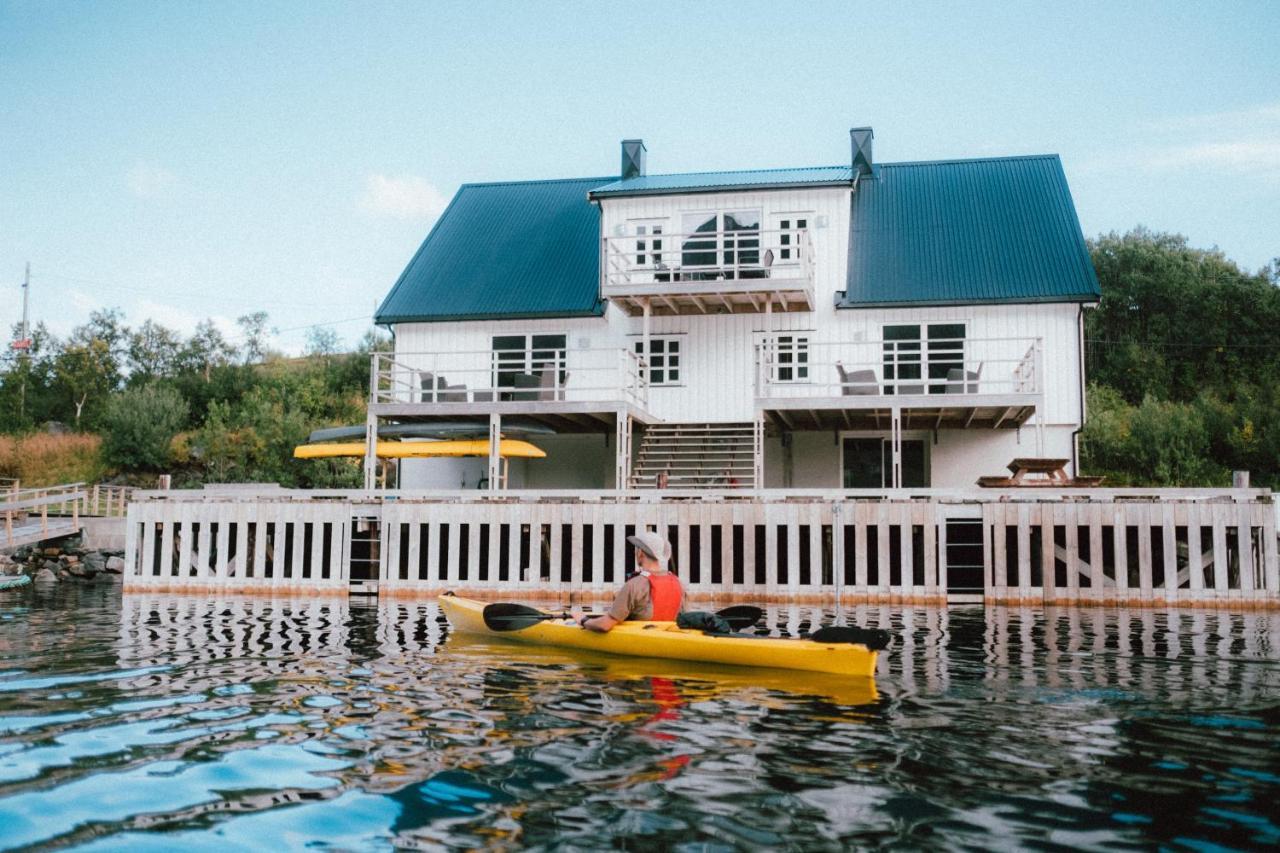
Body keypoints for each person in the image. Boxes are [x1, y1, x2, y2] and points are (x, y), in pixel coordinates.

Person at [578, 529, 685, 632]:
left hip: (642, 641)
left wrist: (583, 621)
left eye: (636, 549)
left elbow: (605, 625)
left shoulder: (634, 585)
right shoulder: (678, 583)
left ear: (640, 553)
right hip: (667, 638)